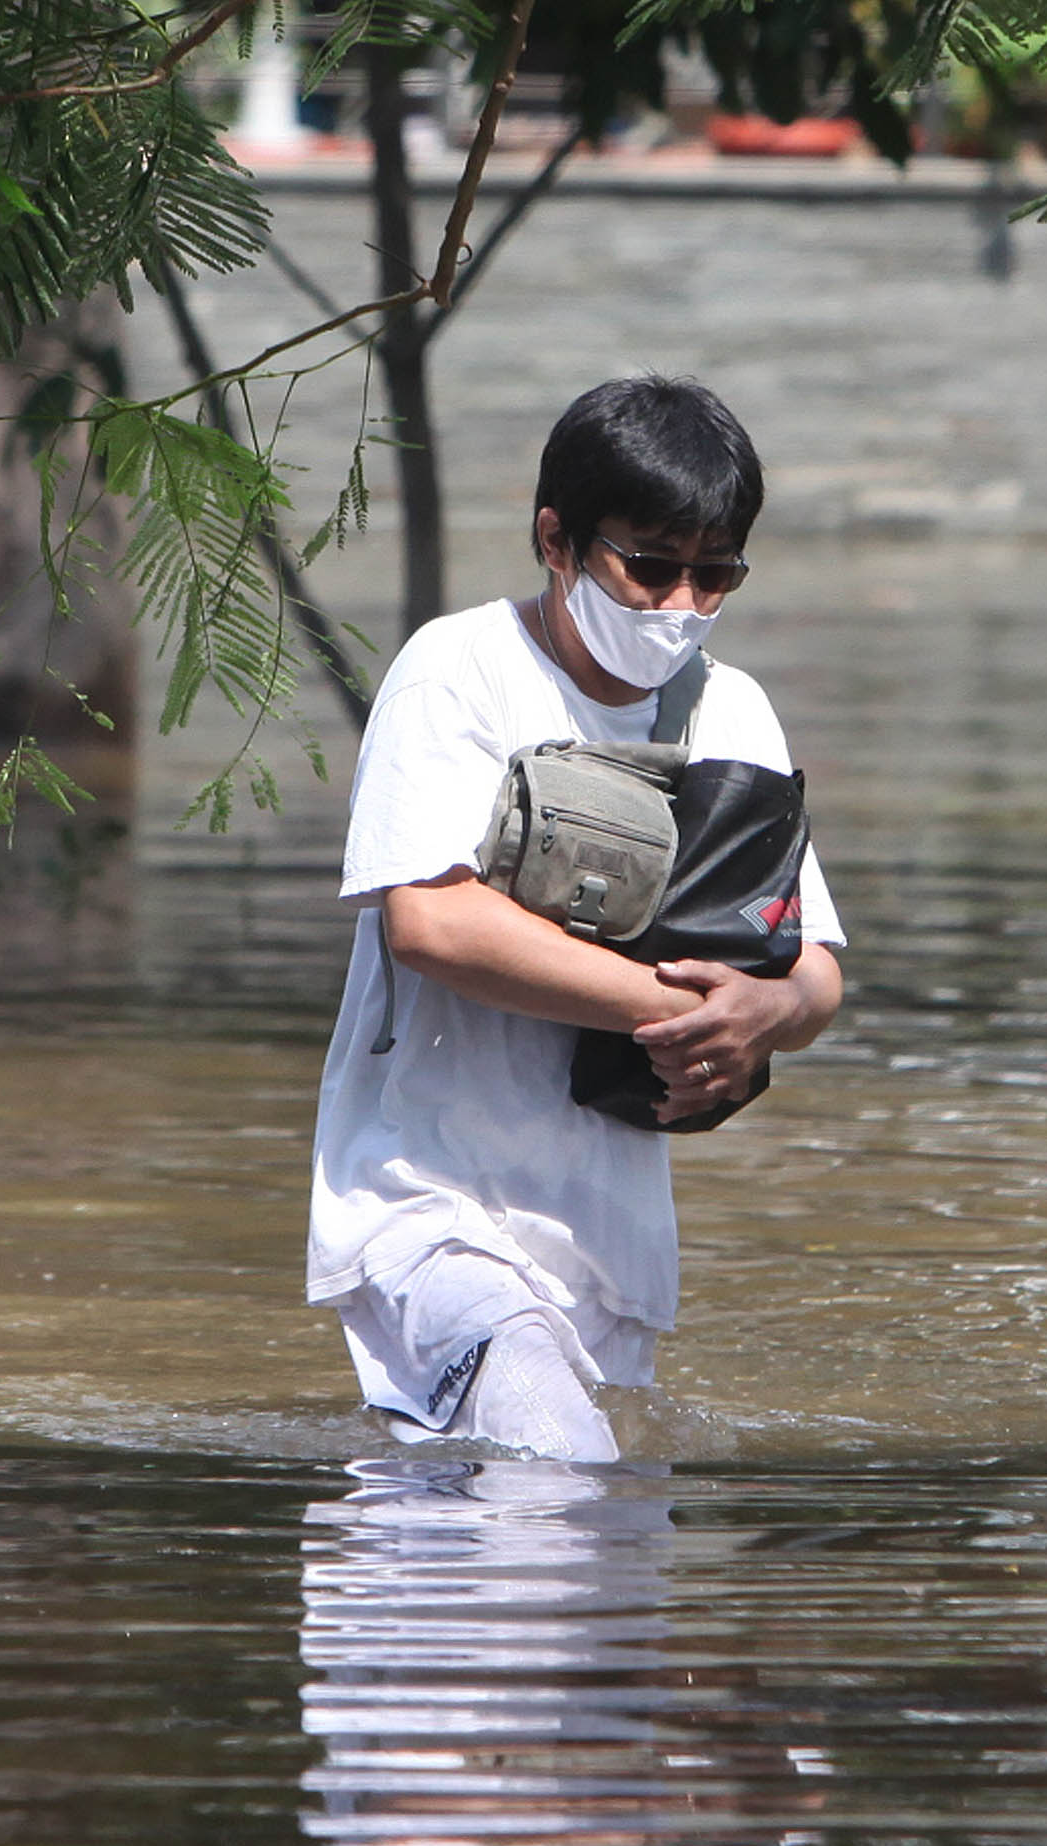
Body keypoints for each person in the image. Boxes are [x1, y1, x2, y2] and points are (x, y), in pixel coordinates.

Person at [306, 377, 846, 1462]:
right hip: (430, 1204)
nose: (680, 603)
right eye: (649, 564)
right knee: (559, 1475)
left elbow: (818, 963)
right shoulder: (456, 672)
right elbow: (431, 920)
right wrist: (677, 1008)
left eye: (715, 572)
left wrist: (762, 1010)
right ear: (556, 537)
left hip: (610, 1244)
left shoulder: (729, 709)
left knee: (570, 1576)